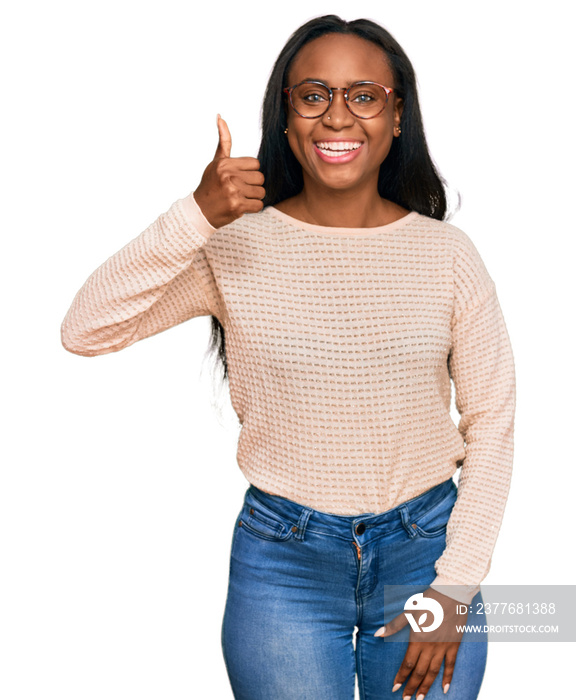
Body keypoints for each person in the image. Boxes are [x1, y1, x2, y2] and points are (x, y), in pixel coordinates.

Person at [61, 14, 516, 700]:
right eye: (313, 95)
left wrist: (455, 589)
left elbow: (493, 423)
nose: (338, 116)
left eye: (363, 95)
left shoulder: (448, 255)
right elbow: (86, 328)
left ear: (397, 118)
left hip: (427, 553)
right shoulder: (234, 244)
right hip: (284, 565)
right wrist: (196, 214)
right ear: (285, 118)